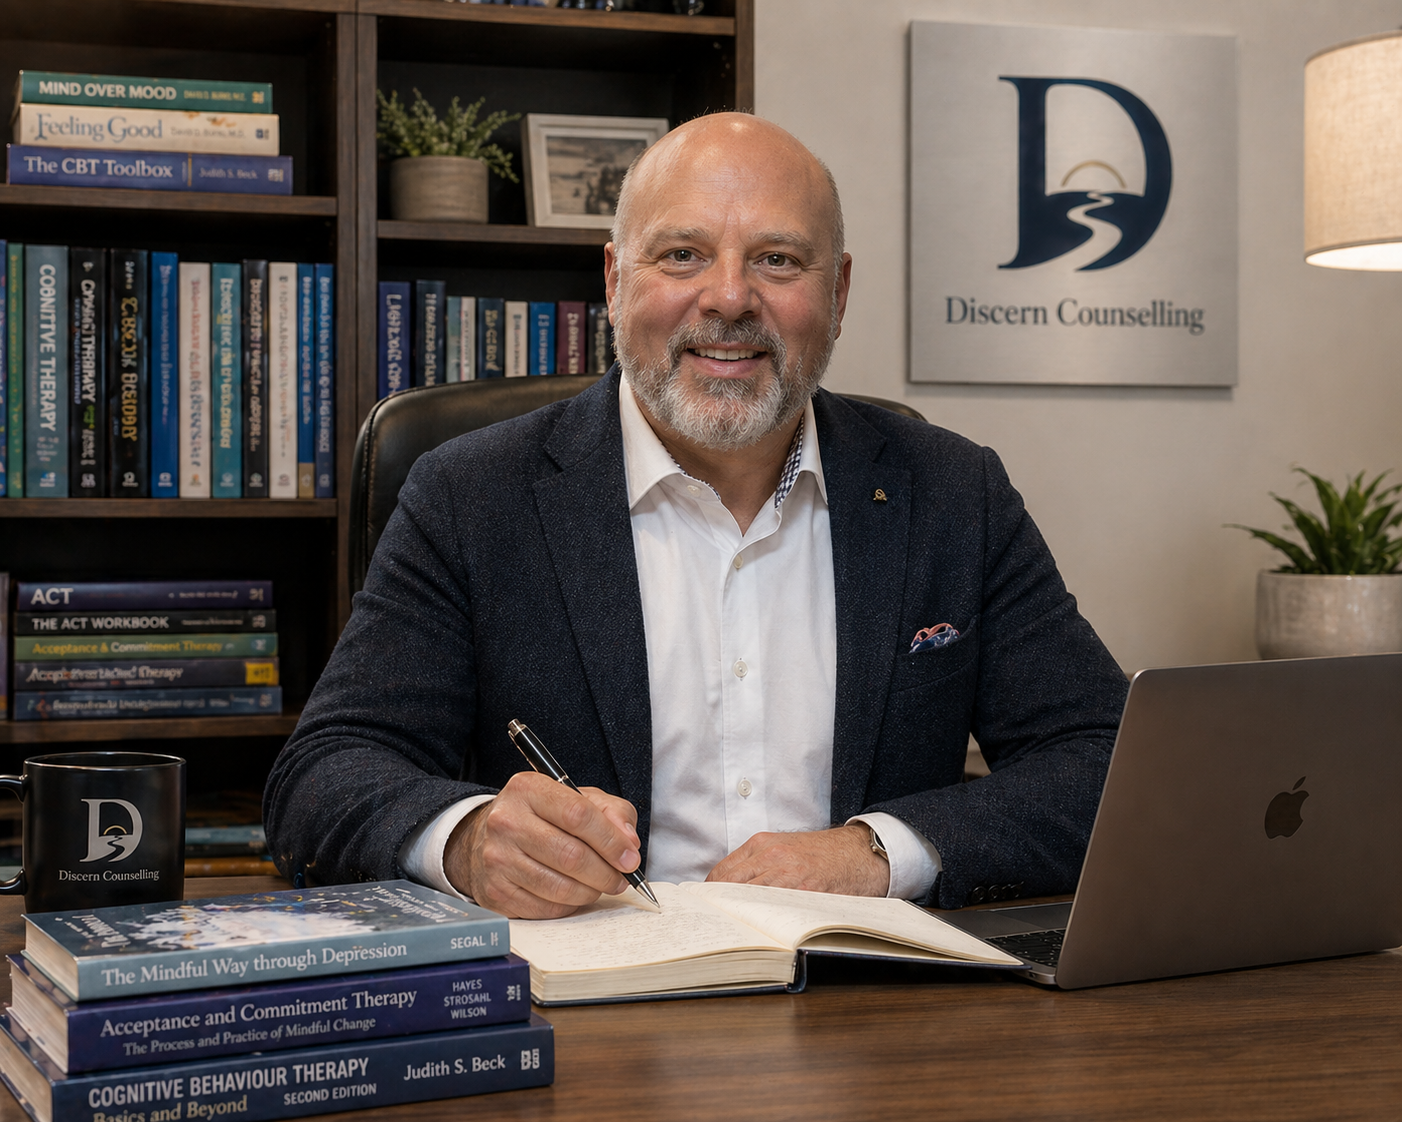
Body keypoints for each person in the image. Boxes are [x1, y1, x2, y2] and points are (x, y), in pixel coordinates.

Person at [264, 113, 1128, 920]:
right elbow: (322, 778)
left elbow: (1109, 764)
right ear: (613, 280)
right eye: (681, 254)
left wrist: (879, 854)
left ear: (840, 292)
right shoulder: (469, 495)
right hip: (595, 1026)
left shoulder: (953, 494)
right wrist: (469, 838)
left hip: (874, 1015)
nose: (727, 298)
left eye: (779, 261)